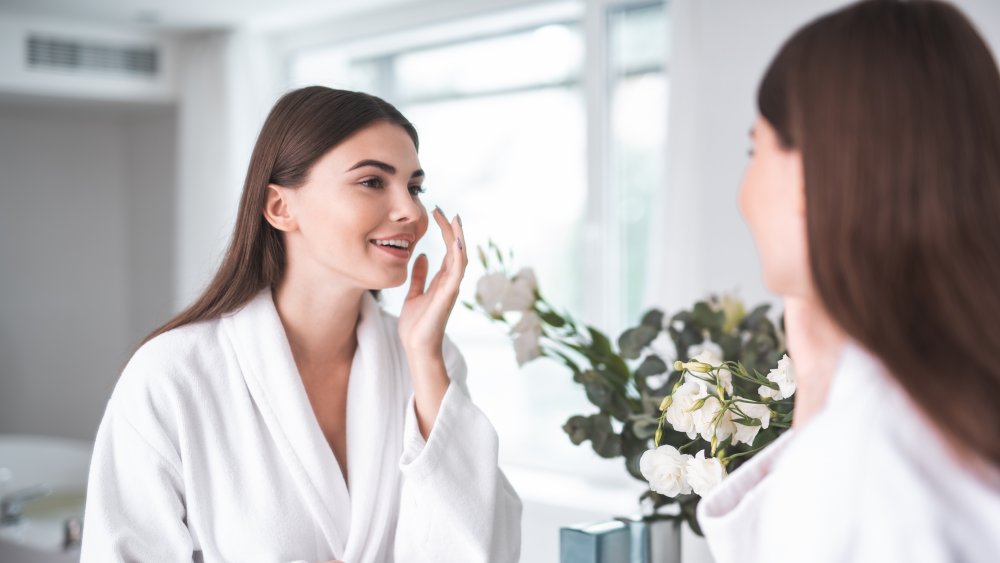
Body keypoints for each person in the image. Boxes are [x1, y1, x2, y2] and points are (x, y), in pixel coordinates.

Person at [81, 86, 522, 562]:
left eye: (414, 188)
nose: (411, 212)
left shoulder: (428, 361)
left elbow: (487, 549)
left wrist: (425, 357)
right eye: (373, 182)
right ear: (280, 208)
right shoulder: (173, 374)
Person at [698, 1, 1000, 561]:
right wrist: (815, 386)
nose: (743, 194)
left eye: (754, 149)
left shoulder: (864, 455)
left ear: (811, 176)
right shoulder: (937, 411)